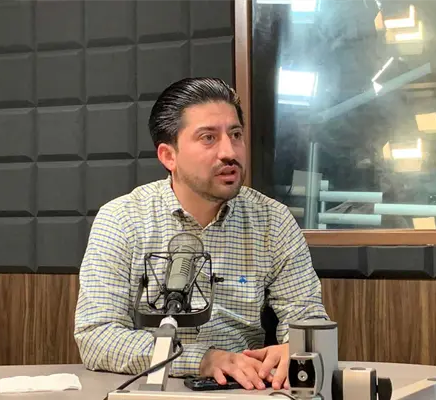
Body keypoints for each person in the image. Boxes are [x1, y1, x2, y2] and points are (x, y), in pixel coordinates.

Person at [74, 77, 328, 391]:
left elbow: (310, 322)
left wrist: (296, 349)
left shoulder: (272, 221)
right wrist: (201, 359)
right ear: (169, 156)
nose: (229, 152)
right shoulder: (122, 219)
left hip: (242, 390)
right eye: (208, 138)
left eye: (236, 135)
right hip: (151, 390)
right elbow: (97, 337)